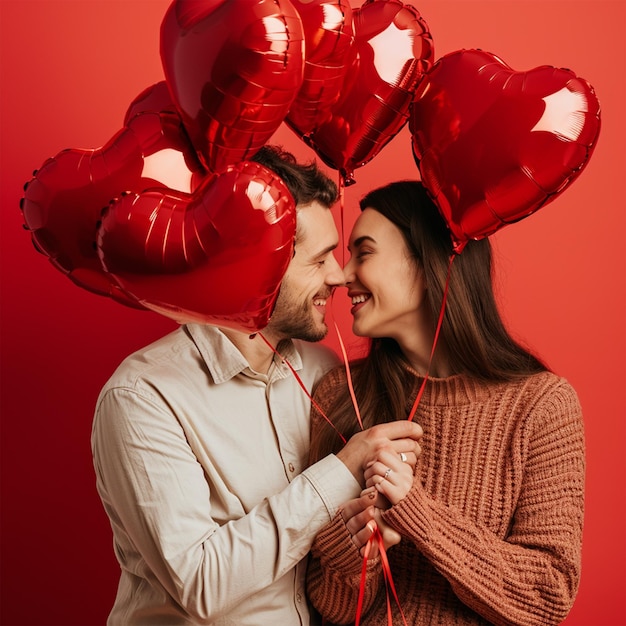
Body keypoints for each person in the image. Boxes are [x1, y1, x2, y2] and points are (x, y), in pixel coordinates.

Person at [91, 147, 423, 626]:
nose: (338, 276)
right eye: (320, 259)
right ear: (258, 267)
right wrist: (341, 469)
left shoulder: (321, 370)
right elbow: (200, 585)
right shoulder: (143, 397)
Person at [306, 181, 585, 625]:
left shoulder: (541, 406)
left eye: (365, 252)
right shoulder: (339, 395)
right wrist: (352, 549)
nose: (343, 274)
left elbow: (546, 595)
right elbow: (330, 610)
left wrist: (417, 510)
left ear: (427, 260)